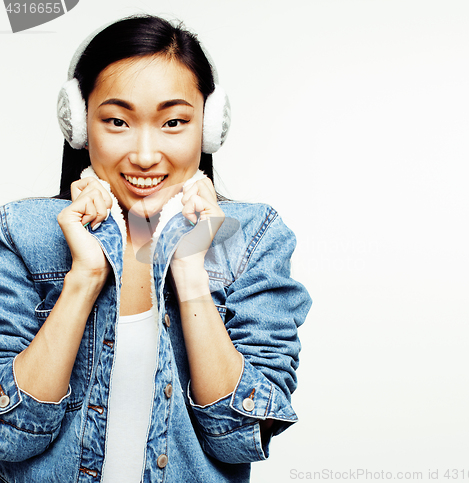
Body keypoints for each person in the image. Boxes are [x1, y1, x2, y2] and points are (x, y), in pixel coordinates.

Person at [0, 14, 311, 482]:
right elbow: (12, 434)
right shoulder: (23, 234)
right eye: (118, 121)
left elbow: (237, 434)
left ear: (209, 125)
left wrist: (190, 275)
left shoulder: (253, 238)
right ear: (79, 122)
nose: (145, 155)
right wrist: (83, 279)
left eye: (173, 122)